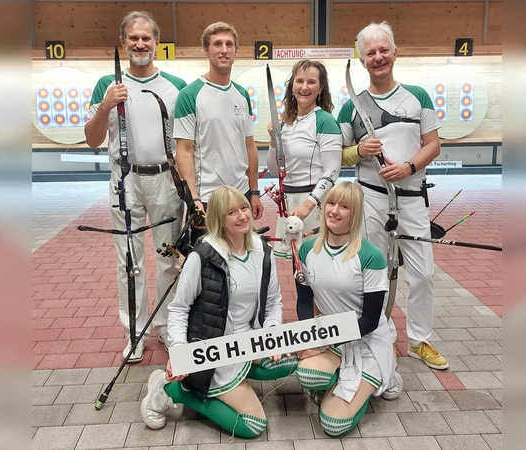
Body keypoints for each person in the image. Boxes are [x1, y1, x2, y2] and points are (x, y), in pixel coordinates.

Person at [140, 186, 295, 438]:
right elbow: (179, 309)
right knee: (252, 426)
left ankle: (237, 383)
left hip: (246, 341)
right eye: (231, 212)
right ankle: (172, 391)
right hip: (213, 348)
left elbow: (273, 301)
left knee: (288, 360)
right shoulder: (202, 256)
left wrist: (272, 331)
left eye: (244, 208)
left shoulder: (262, 251)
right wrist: (180, 352)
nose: (242, 216)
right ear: (219, 220)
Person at [338, 22, 447, 370]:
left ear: (395, 53)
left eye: (384, 50)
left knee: (424, 273)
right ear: (362, 59)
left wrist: (409, 168)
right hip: (370, 198)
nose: (378, 57)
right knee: (375, 271)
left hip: (412, 197)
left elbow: (434, 145)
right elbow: (338, 154)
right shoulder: (350, 106)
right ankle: (378, 334)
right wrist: (358, 150)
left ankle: (419, 340)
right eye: (370, 52)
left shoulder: (418, 96)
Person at [84, 11, 186, 362]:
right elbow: (92, 140)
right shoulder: (107, 85)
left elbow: (187, 142)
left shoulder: (176, 87)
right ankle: (134, 331)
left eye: (147, 38)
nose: (140, 44)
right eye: (133, 38)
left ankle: (167, 327)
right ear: (123, 42)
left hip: (165, 181)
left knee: (169, 259)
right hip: (124, 180)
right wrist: (105, 107)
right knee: (129, 261)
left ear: (157, 43)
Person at [296, 181, 402, 436]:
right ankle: (337, 379)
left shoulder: (370, 255)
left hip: (366, 339)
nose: (334, 211)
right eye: (331, 203)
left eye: (344, 206)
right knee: (308, 375)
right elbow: (303, 301)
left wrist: (321, 340)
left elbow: (371, 320)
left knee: (334, 425)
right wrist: (310, 338)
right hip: (331, 337)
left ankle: (387, 369)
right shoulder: (308, 248)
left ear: (355, 214)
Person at [265, 59, 342, 321]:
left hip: (314, 205)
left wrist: (309, 204)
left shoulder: (325, 120)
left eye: (311, 82)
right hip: (289, 203)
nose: (305, 87)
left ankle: (327, 328)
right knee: (300, 273)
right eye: (300, 81)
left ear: (321, 88)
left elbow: (332, 171)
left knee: (317, 273)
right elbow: (275, 170)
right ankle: (309, 331)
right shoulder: (286, 121)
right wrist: (274, 143)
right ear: (292, 85)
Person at [173, 22, 264, 219]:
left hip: (241, 192)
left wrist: (254, 190)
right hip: (207, 197)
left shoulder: (242, 94)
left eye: (229, 45)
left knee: (242, 249)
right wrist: (193, 197)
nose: (224, 50)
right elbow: (184, 150)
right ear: (206, 49)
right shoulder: (189, 95)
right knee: (207, 251)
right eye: (217, 44)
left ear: (236, 51)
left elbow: (249, 146)